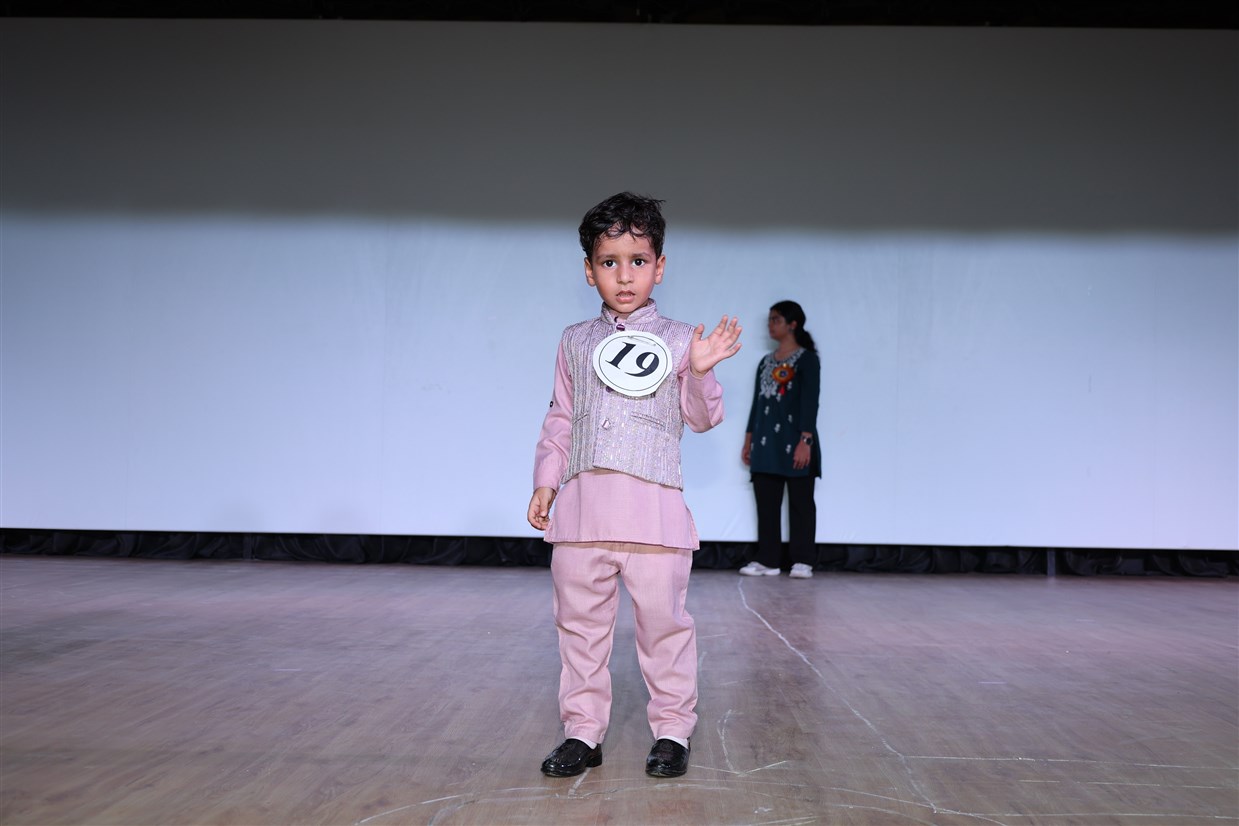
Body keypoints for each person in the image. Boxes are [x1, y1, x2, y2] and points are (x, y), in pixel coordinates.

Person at [527, 192, 742, 780]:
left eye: (638, 261)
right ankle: (582, 732)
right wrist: (546, 481)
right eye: (609, 262)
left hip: (654, 513)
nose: (625, 276)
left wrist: (700, 371)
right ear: (589, 270)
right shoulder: (575, 340)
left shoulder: (680, 339)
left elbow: (702, 418)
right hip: (582, 514)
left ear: (660, 266)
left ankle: (672, 731)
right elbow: (561, 417)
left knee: (664, 628)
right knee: (579, 630)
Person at [739, 300, 821, 579]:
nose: (770, 325)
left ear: (793, 324)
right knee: (766, 502)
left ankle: (803, 560)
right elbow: (757, 403)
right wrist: (749, 439)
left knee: (801, 502)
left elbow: (810, 402)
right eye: (769, 320)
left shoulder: (807, 359)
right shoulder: (766, 362)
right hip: (766, 443)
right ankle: (768, 559)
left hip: (796, 441)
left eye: (776, 319)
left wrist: (805, 441)